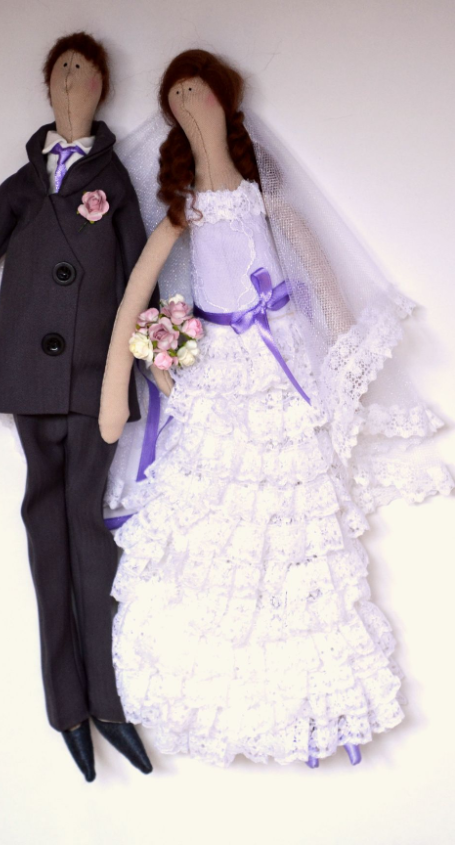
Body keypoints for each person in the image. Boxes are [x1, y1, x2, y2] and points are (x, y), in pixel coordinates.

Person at [98, 50, 453, 767]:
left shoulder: (267, 201)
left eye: (198, 90)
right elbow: (134, 297)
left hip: (283, 357)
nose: (189, 101)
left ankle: (326, 702)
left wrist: (346, 353)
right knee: (222, 526)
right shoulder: (182, 213)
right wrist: (129, 376)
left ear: (224, 101)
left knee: (300, 526)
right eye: (177, 95)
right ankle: (236, 700)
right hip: (222, 367)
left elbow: (321, 276)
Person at [0, 31, 153, 782]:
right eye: (63, 71)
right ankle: (67, 706)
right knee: (44, 526)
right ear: (48, 87)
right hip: (28, 374)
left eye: (85, 72)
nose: (73, 81)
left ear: (102, 87)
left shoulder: (114, 181)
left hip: (93, 381)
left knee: (88, 527)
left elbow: (140, 269)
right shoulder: (24, 183)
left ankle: (108, 703)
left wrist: (157, 350)